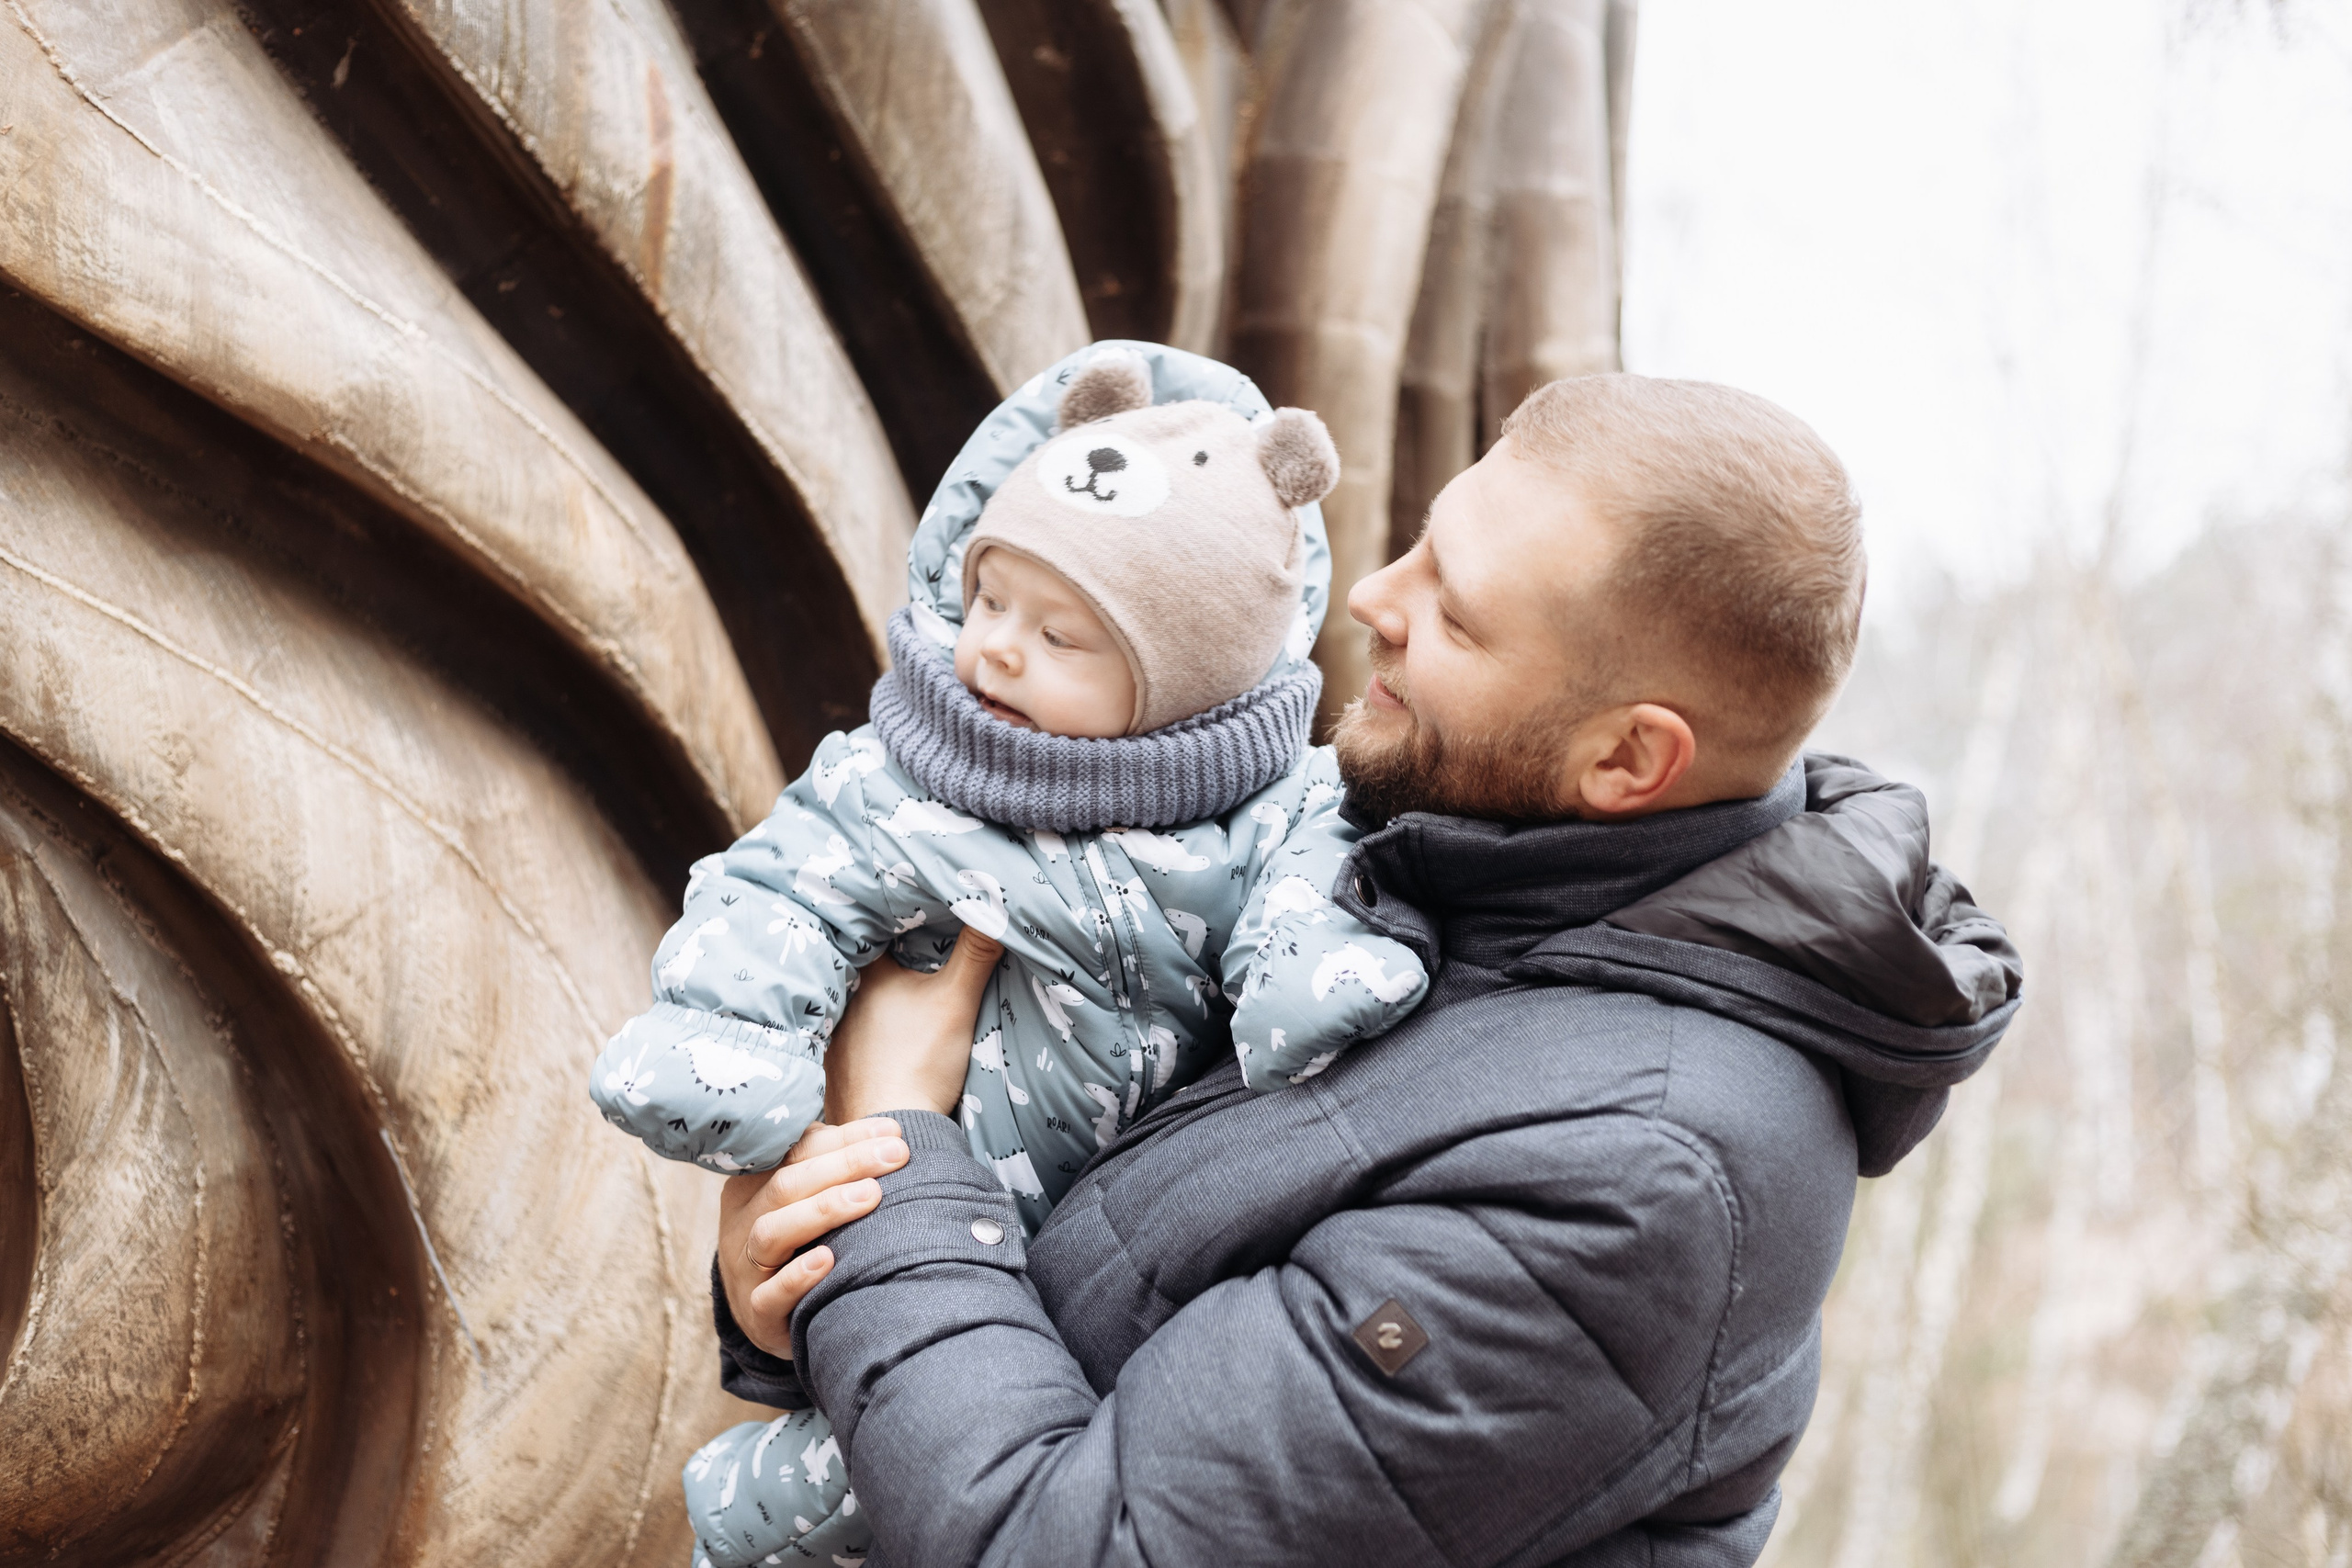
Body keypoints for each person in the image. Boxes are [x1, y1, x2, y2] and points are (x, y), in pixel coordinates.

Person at [708, 373, 2023, 1567]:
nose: (1372, 601)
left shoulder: (1641, 1181)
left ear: (1629, 760)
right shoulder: (1412, 866)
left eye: (1453, 612)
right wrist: (801, 1287)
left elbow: (1083, 1545)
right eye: (1421, 547)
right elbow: (1077, 1278)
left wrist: (891, 1158)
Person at [592, 344, 1439, 1566]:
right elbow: (778, 892)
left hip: (1106, 1284)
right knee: (864, 1443)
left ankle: (794, 1491)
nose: (994, 652)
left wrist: (1306, 977)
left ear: (1185, 680)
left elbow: (1305, 894)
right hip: (911, 1196)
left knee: (922, 1465)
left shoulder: (1274, 813)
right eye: (990, 601)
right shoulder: (903, 775)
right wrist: (730, 1037)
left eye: (1061, 636)